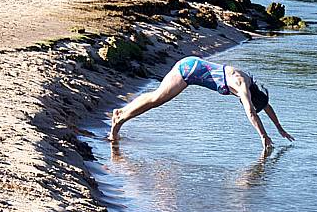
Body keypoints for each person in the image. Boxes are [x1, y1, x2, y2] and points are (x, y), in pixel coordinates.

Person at [109, 56, 295, 151]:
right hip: (189, 71)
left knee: (156, 97)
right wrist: (263, 136)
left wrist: (279, 128)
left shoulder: (251, 86)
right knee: (156, 100)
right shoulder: (242, 86)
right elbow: (251, 112)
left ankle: (121, 112)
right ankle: (120, 119)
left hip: (193, 66)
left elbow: (265, 106)